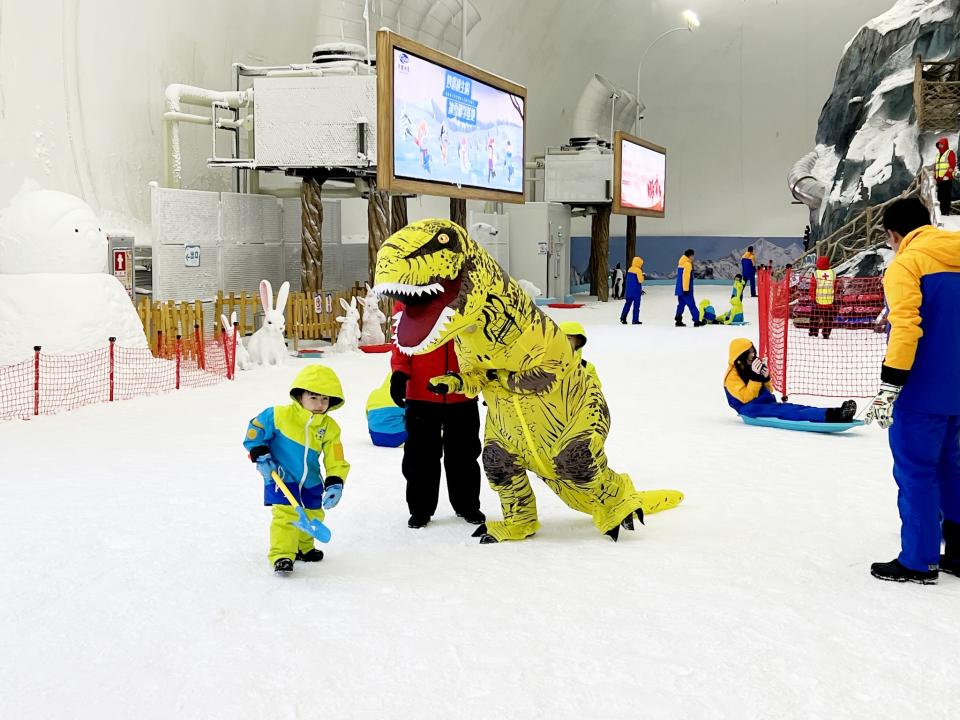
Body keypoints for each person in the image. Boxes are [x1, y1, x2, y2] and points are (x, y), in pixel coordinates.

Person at [865, 197, 960, 584]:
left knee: (917, 471)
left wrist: (890, 387)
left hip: (921, 391)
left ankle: (919, 562)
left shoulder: (907, 263)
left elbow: (907, 328)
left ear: (894, 234)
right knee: (954, 469)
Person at [243, 365, 350, 574]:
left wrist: (336, 481)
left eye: (325, 399)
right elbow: (256, 429)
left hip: (311, 481)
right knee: (286, 515)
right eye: (313, 397)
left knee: (312, 513)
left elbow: (335, 456)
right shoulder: (278, 415)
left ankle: (304, 547)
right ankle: (282, 554)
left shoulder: (330, 427)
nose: (319, 404)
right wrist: (260, 452)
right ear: (299, 395)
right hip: (281, 477)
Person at [390, 333, 484, 529]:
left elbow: (485, 339)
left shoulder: (469, 302)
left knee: (464, 453)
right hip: (421, 393)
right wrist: (399, 372)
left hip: (463, 392)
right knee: (420, 455)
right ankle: (420, 508)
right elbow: (402, 339)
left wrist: (490, 380)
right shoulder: (413, 303)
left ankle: (467, 504)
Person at [724, 339, 856, 423]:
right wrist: (755, 377)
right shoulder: (731, 378)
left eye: (753, 351)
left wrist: (765, 378)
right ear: (740, 357)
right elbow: (747, 398)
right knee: (790, 412)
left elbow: (769, 391)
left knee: (797, 408)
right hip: (750, 409)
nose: (753, 354)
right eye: (749, 352)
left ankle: (837, 412)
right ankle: (835, 416)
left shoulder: (749, 366)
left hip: (766, 403)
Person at [366, 372, 406, 447]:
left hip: (376, 439)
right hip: (398, 438)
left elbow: (367, 414)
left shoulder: (374, 393)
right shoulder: (402, 395)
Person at [560, 321, 601, 388]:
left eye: (568, 338)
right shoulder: (548, 365)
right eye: (560, 338)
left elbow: (595, 389)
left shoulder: (587, 367)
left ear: (578, 341)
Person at [808, 256, 837, 338]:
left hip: (818, 301)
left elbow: (813, 287)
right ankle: (826, 333)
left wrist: (812, 298)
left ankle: (813, 332)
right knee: (828, 319)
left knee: (814, 317)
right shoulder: (833, 273)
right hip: (829, 301)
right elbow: (835, 286)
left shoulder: (816, 274)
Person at [674, 249, 701, 327]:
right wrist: (686, 289)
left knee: (681, 304)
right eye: (693, 255)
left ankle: (678, 319)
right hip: (686, 289)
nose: (693, 257)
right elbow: (686, 277)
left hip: (680, 289)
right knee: (691, 304)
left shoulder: (681, 263)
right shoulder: (687, 264)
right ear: (690, 255)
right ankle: (696, 321)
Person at [933, 137, 956, 217]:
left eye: (942, 144)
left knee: (946, 196)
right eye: (939, 144)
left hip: (946, 179)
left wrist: (947, 175)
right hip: (939, 179)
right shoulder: (938, 155)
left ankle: (945, 212)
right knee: (940, 195)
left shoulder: (950, 153)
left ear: (945, 144)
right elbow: (936, 166)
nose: (940, 145)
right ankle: (941, 211)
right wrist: (934, 177)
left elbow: (952, 165)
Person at [620, 256, 644, 324]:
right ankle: (635, 320)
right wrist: (643, 276)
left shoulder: (630, 269)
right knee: (636, 306)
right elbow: (640, 280)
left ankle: (623, 318)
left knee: (627, 304)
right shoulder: (638, 270)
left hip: (629, 291)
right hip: (636, 291)